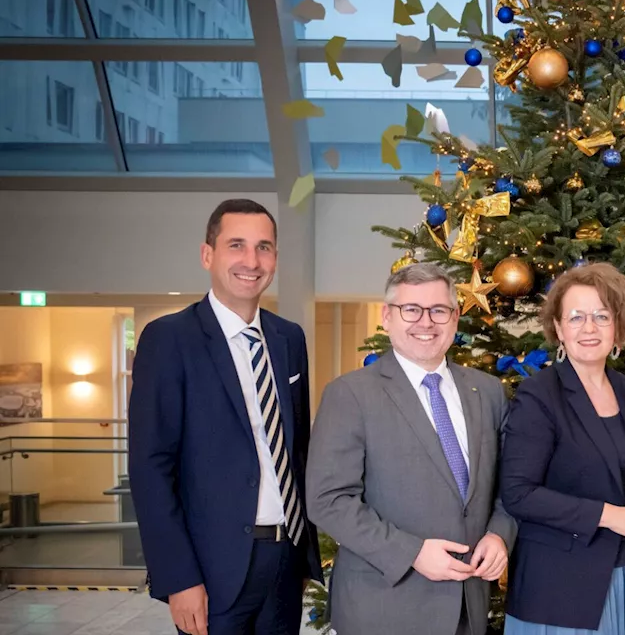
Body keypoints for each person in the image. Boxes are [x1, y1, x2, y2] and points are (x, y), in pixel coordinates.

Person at [128, 198, 323, 635]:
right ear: (208, 255)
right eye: (237, 245)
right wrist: (178, 577)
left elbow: (298, 447)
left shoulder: (288, 338)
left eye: (264, 247)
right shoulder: (168, 339)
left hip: (285, 560)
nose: (251, 261)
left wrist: (304, 550)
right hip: (211, 568)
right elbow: (150, 468)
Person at [306, 263, 516, 635]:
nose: (426, 322)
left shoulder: (487, 391)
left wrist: (499, 534)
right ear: (387, 316)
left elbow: (509, 484)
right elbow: (328, 500)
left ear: (454, 318)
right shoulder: (351, 394)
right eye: (411, 310)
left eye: (439, 310)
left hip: (469, 604)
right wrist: (412, 553)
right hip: (384, 606)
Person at [500, 263, 625, 635]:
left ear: (617, 326)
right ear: (558, 329)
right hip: (558, 594)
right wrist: (609, 515)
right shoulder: (538, 395)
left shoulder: (624, 390)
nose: (589, 328)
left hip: (621, 578)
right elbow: (518, 494)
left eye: (601, 316)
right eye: (576, 317)